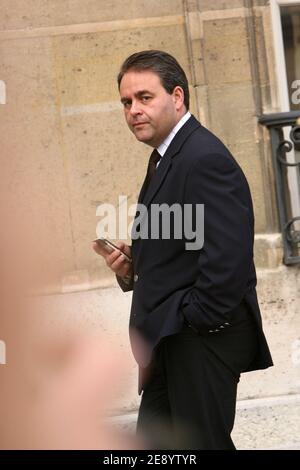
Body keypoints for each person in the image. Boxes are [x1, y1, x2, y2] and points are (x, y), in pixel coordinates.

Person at [93, 50, 273, 450]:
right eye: (126, 102)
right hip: (170, 338)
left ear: (177, 97)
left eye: (144, 97)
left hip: (198, 338)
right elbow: (184, 246)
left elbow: (228, 257)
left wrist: (196, 320)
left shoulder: (203, 157)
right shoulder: (167, 155)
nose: (134, 110)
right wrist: (131, 266)